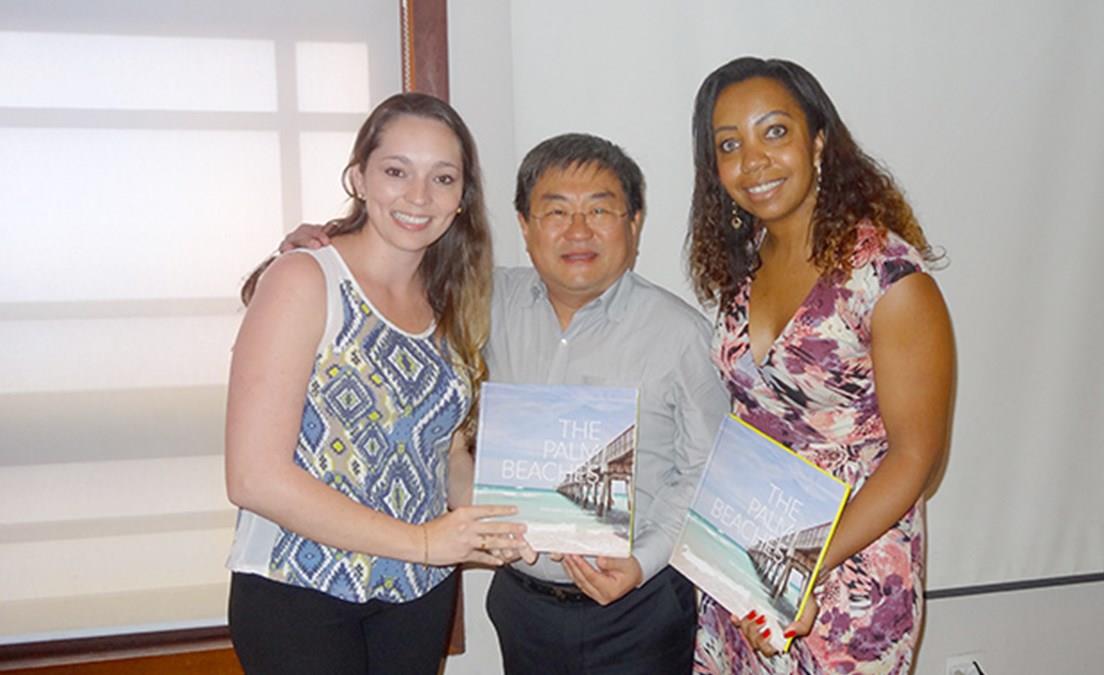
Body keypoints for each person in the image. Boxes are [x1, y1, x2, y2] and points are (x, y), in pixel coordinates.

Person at [283, 132, 729, 675]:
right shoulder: (481, 300)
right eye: (555, 211)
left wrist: (642, 562)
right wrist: (320, 249)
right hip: (523, 606)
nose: (578, 230)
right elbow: (385, 273)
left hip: (640, 609)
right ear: (524, 225)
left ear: (634, 224)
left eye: (600, 210)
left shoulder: (681, 335)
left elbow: (706, 470)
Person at [224, 92, 529, 675]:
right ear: (359, 177)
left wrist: (509, 525)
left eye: (443, 178)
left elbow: (445, 458)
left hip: (416, 592)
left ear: (462, 198)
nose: (419, 196)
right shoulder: (304, 279)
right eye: (396, 171)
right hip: (300, 588)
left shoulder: (453, 298)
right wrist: (423, 542)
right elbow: (253, 477)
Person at [686, 57, 956, 674]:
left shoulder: (887, 278)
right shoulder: (744, 265)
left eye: (774, 132)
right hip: (754, 551)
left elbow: (916, 459)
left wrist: (803, 565)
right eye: (729, 145)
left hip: (847, 569)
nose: (753, 160)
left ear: (818, 142)